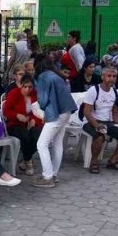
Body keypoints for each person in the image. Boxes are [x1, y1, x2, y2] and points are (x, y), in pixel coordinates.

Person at [79, 67, 118, 173]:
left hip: (108, 122)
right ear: (102, 77)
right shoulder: (94, 90)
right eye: (109, 76)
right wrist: (96, 125)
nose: (112, 79)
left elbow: (114, 111)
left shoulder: (114, 92)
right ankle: (94, 161)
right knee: (100, 135)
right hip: (91, 121)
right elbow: (87, 112)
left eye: (114, 76)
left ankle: (113, 160)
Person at [33, 55, 78, 187]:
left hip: (55, 112)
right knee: (57, 143)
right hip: (66, 111)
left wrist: (42, 111)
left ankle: (47, 177)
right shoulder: (56, 75)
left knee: (42, 144)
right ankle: (53, 174)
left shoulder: (42, 77)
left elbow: (43, 99)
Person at [2, 75, 44, 175]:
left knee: (40, 137)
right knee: (26, 136)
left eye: (30, 87)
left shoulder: (35, 94)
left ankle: (25, 158)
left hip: (31, 122)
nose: (28, 89)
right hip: (15, 123)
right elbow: (6, 111)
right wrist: (17, 115)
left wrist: (34, 119)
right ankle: (28, 161)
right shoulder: (14, 93)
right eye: (25, 87)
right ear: (21, 85)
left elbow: (38, 110)